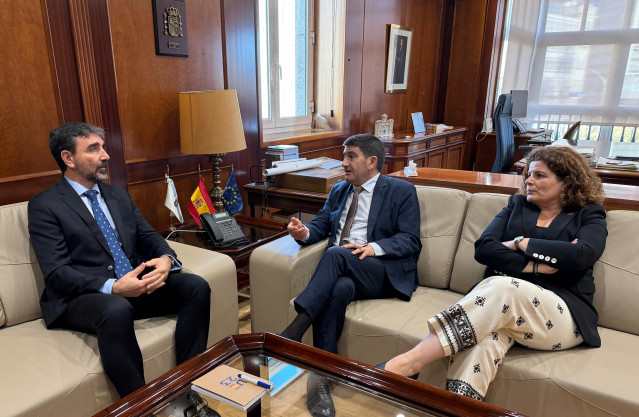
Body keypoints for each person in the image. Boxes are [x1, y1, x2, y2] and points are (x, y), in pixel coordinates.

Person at [379, 146, 607, 401]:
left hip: (563, 314)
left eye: (539, 176)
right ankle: (456, 406)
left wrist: (520, 243)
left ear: (567, 182)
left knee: (503, 285)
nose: (528, 180)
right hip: (506, 312)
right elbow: (484, 248)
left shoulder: (589, 214)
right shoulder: (518, 205)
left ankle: (407, 364)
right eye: (529, 174)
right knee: (482, 342)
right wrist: (535, 266)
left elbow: (582, 254)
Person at [28, 122, 211, 398]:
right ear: (68, 158)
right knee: (116, 309)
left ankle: (187, 392)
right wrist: (113, 287)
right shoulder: (45, 205)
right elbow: (57, 273)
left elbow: (149, 236)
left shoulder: (117, 195)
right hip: (83, 296)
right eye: (93, 149)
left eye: (103, 147)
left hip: (132, 286)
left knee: (196, 287)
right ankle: (141, 406)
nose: (106, 155)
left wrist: (165, 258)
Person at [281, 133, 422, 416]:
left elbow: (410, 239)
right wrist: (303, 232)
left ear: (371, 162)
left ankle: (291, 334)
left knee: (335, 254)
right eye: (343, 156)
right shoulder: (339, 190)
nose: (343, 163)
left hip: (381, 271)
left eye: (351, 156)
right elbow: (321, 223)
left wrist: (373, 247)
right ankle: (320, 377)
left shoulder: (400, 191)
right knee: (339, 288)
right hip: (343, 271)